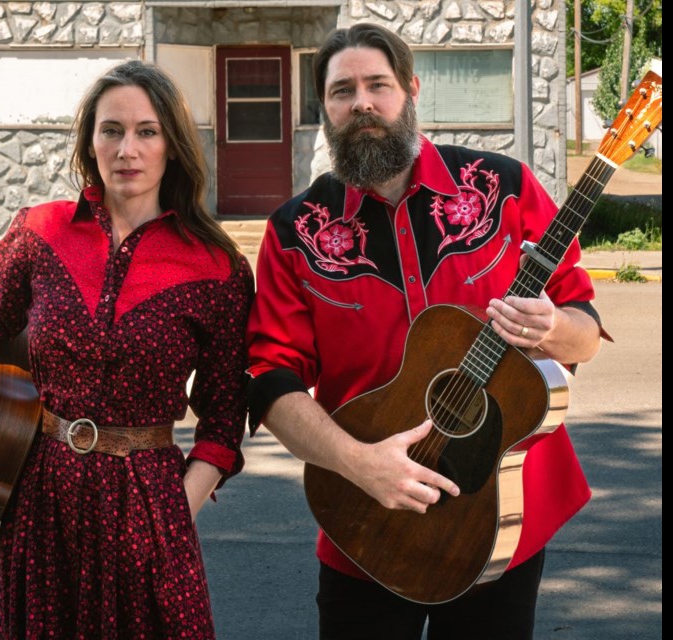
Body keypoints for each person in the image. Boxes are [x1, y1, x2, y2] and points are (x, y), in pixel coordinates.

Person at [246, 24, 604, 639]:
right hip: (364, 518)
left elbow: (585, 331)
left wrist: (555, 325)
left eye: (377, 85)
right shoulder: (292, 232)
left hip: (499, 514)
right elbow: (269, 378)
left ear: (411, 90)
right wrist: (360, 464)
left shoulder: (506, 188)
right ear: (324, 108)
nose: (362, 102)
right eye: (342, 90)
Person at [0, 60, 253, 639]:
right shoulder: (39, 232)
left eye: (147, 131)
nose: (128, 148)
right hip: (40, 497)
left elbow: (224, 421)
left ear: (172, 146)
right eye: (112, 130)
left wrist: (175, 514)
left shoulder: (218, 269)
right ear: (90, 141)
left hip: (150, 503)